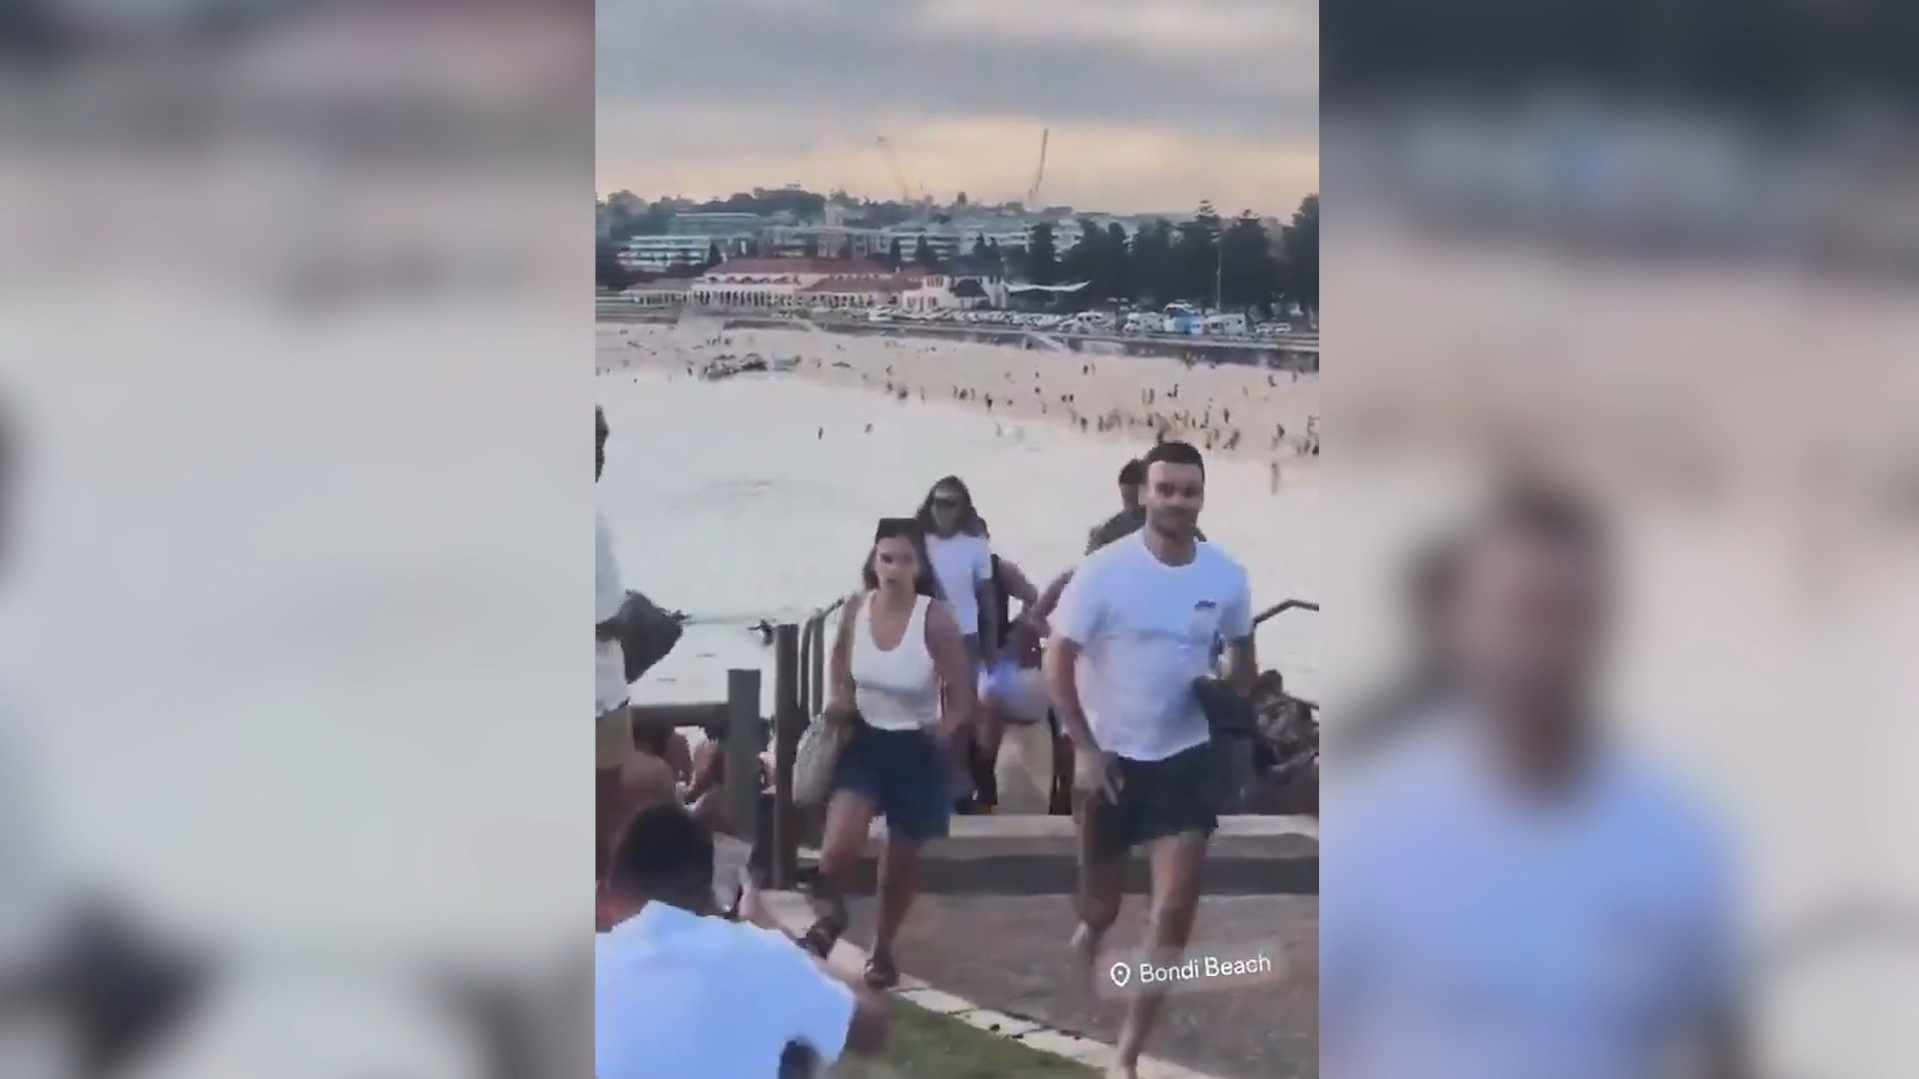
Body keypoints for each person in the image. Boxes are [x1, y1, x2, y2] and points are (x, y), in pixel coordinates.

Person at [1321, 485, 1744, 1079]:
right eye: (1520, 612)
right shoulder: (1374, 826)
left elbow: (1722, 1046)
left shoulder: (1674, 833)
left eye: (1567, 614)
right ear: (1459, 625)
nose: (1542, 646)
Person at [1043, 440, 1255, 1079]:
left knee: (1173, 908)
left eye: (1189, 491)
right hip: (1109, 761)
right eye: (1165, 489)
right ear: (1143, 494)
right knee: (1102, 904)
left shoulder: (1226, 576)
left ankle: (1127, 1053)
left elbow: (1243, 663)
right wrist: (1084, 749)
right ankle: (1093, 928)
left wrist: (1230, 688)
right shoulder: (1103, 572)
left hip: (1185, 757)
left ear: (1202, 497)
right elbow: (1057, 660)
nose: (1177, 502)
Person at [595, 802, 891, 1079]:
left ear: (606, 893)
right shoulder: (765, 955)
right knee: (796, 1042)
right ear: (707, 897)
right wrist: (775, 934)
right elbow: (873, 1029)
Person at [806, 518, 975, 990]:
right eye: (886, 559)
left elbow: (962, 694)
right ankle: (833, 913)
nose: (894, 569)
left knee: (899, 865)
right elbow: (839, 658)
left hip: (915, 746)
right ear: (874, 561)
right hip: (864, 739)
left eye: (904, 560)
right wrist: (839, 700)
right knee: (838, 847)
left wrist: (944, 730)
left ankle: (883, 946)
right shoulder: (856, 608)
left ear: (919, 566)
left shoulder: (935, 619)